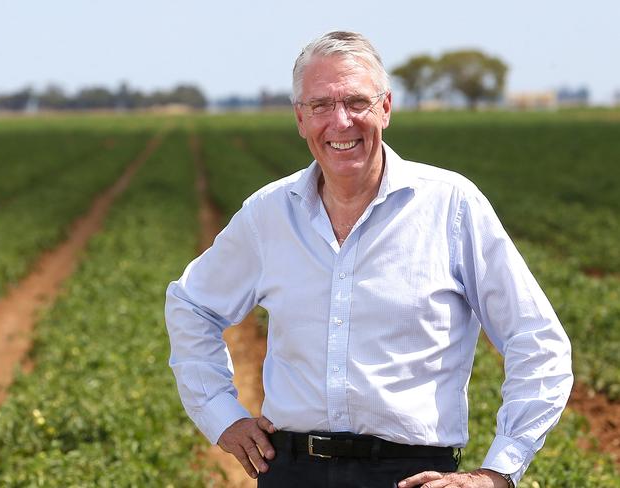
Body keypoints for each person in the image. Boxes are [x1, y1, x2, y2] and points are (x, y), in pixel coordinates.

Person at [165, 31, 573, 488]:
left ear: (386, 108)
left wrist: (499, 471)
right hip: (292, 471)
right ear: (300, 118)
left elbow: (537, 341)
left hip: (412, 475)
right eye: (320, 105)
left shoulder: (451, 206)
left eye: (357, 102)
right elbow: (191, 305)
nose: (340, 122)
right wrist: (222, 416)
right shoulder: (268, 214)